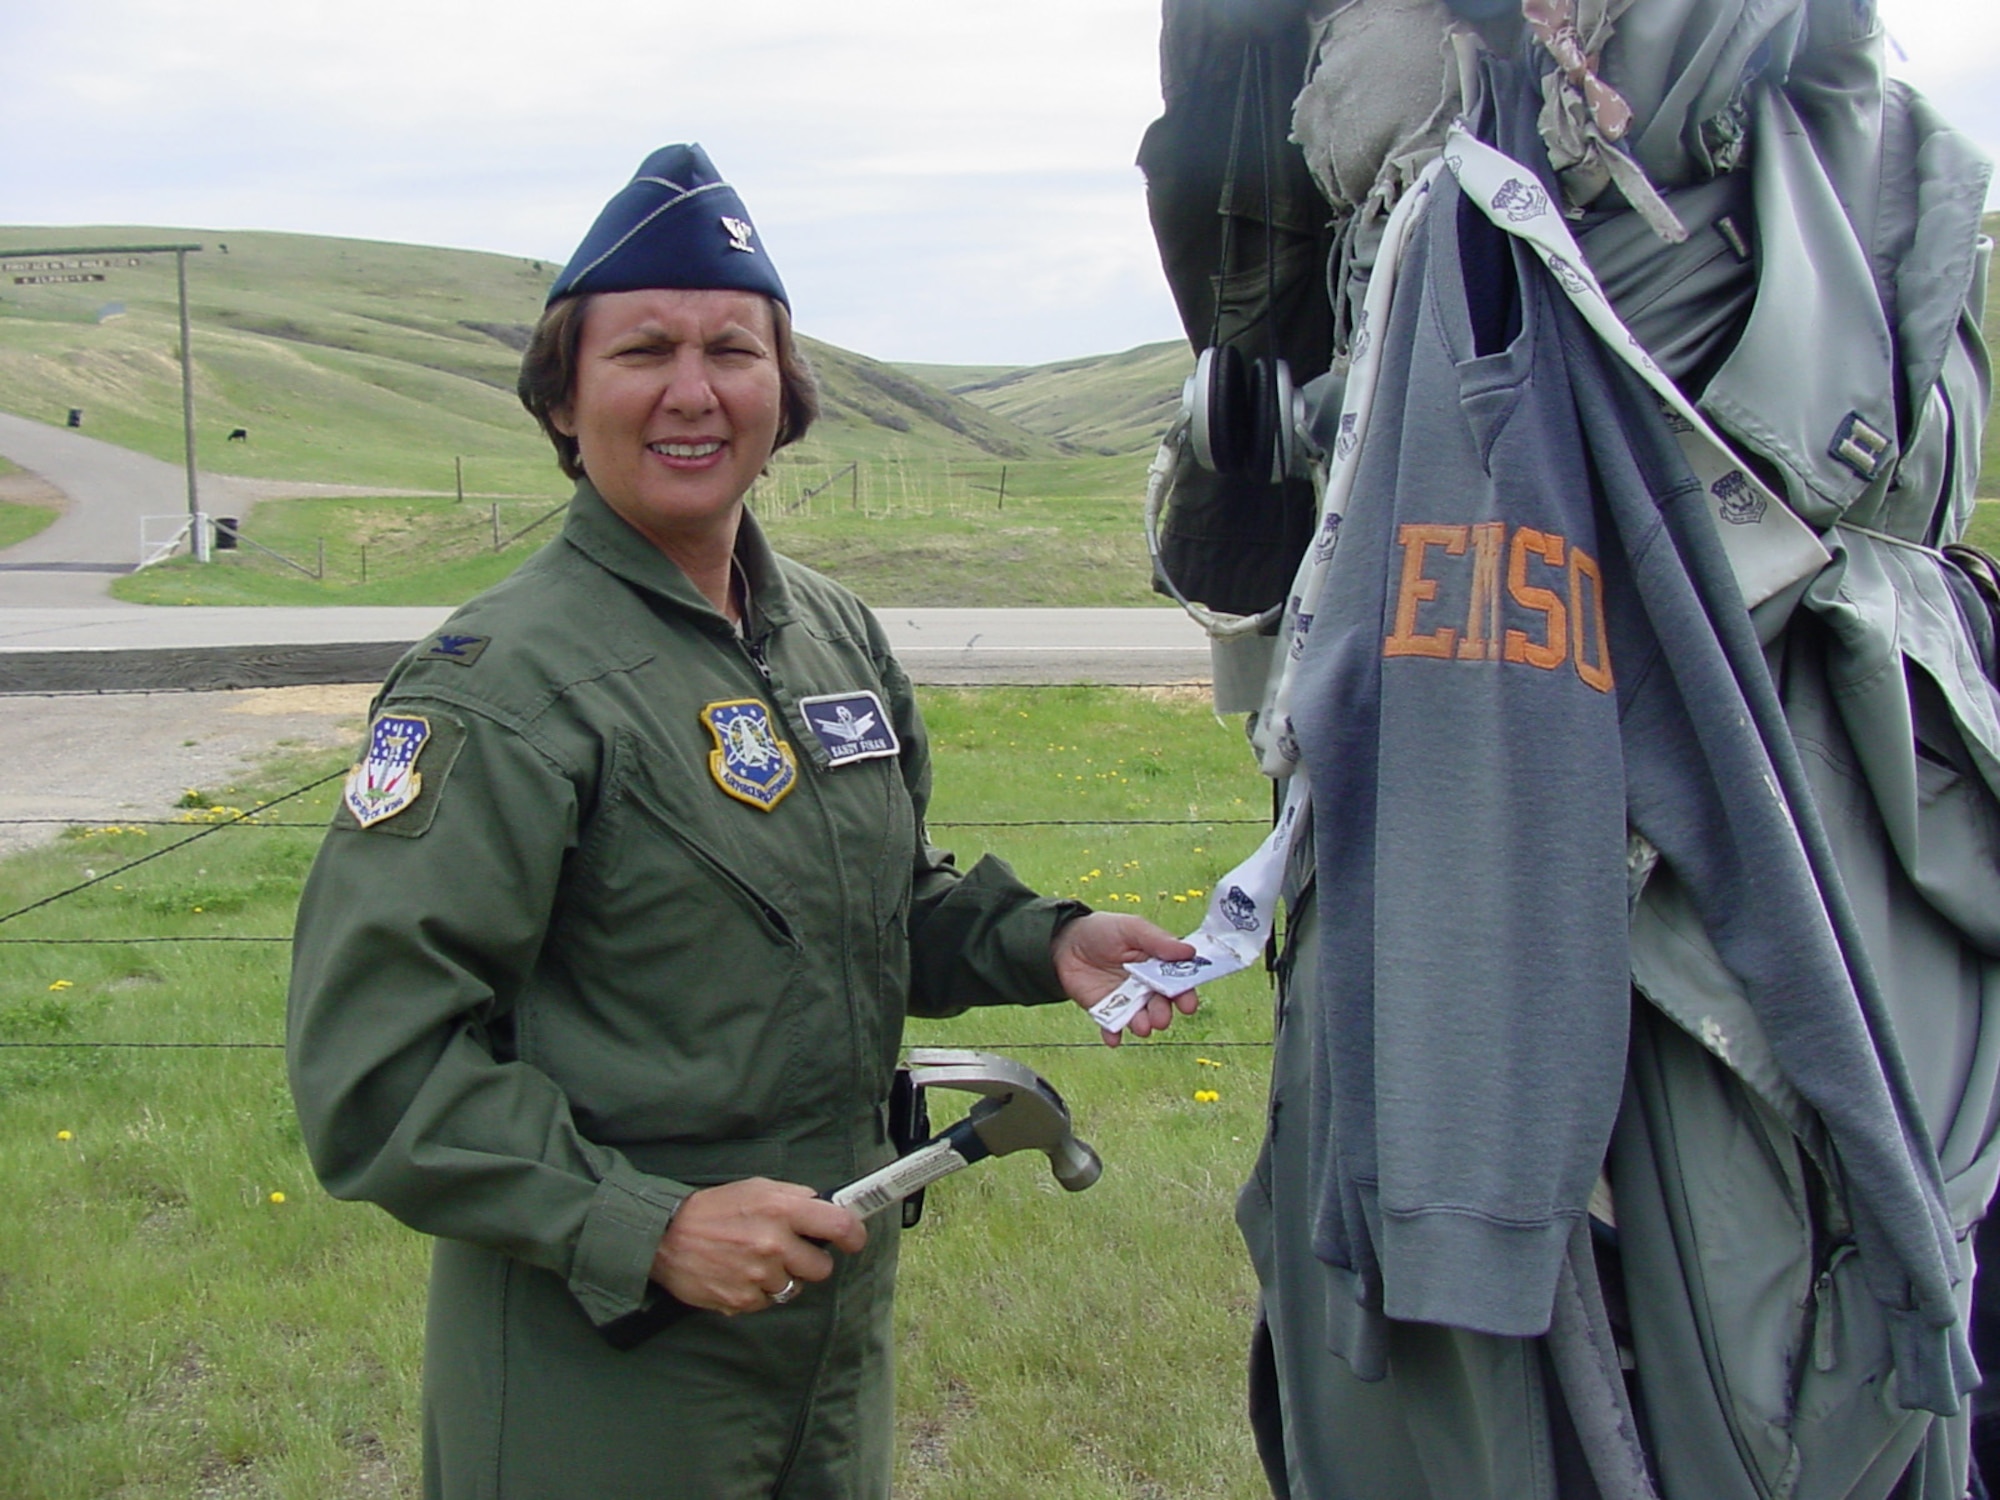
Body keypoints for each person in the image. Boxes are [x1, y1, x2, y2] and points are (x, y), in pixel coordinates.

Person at [285, 143, 1198, 1500]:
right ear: (561, 401)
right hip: (607, 1363)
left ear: (785, 392)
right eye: (642, 350)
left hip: (827, 1332)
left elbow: (867, 905)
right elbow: (372, 1067)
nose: (694, 390)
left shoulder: (832, 636)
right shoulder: (505, 690)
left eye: (734, 348)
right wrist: (645, 1228)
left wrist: (1037, 943)